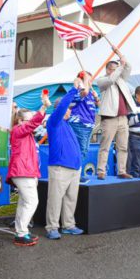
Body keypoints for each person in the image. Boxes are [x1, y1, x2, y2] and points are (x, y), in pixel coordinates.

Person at [45, 77, 85, 239]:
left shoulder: (67, 125)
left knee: (70, 199)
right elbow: (62, 107)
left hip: (73, 167)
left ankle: (68, 225)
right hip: (60, 167)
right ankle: (52, 227)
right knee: (55, 199)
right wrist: (74, 90)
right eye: (69, 108)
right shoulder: (54, 122)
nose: (70, 110)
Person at [7, 93, 50, 246]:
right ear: (20, 121)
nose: (32, 122)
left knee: (25, 202)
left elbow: (34, 125)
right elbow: (33, 124)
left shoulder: (25, 133)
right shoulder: (18, 130)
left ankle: (21, 231)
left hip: (26, 171)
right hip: (22, 171)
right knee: (32, 202)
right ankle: (21, 233)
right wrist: (43, 107)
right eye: (28, 119)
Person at [95, 47, 134, 180]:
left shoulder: (121, 80)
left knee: (123, 146)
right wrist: (119, 67)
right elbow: (111, 79)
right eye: (114, 69)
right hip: (109, 118)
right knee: (105, 146)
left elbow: (128, 67)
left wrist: (121, 56)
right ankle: (101, 171)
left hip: (123, 118)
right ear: (108, 70)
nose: (118, 71)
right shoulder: (102, 81)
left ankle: (121, 170)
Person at [67, 71, 99, 183]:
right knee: (80, 150)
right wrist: (84, 79)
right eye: (89, 80)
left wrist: (96, 99)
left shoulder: (90, 92)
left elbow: (98, 107)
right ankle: (75, 175)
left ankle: (75, 174)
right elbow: (83, 93)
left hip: (88, 126)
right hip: (79, 124)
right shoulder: (80, 90)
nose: (91, 82)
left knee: (83, 150)